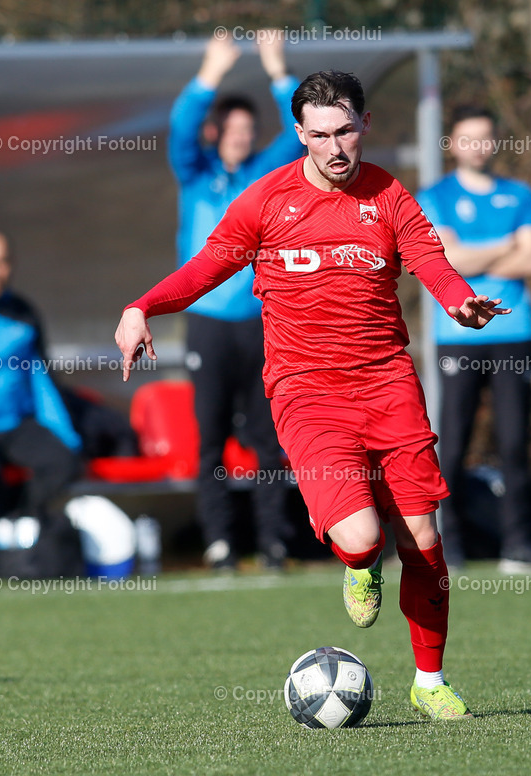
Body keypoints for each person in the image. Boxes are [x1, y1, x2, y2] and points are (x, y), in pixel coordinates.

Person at [116, 70, 508, 720]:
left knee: (423, 538)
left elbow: (431, 260)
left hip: (388, 384)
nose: (335, 146)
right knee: (361, 538)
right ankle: (357, 563)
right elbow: (206, 267)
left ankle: (429, 680)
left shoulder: (388, 194)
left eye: (345, 130)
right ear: (299, 133)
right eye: (320, 134)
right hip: (307, 393)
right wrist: (143, 305)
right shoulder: (266, 200)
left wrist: (461, 301)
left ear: (364, 126)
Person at [168, 32, 305, 570]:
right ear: (216, 132)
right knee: (213, 438)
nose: (243, 137)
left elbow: (299, 138)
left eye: (250, 129)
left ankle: (273, 539)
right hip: (206, 325)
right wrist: (209, 73)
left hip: (260, 325)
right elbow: (180, 131)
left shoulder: (264, 175)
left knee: (270, 439)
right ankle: (220, 540)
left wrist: (277, 70)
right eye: (234, 129)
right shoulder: (196, 174)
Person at [418, 105, 531, 573]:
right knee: (451, 441)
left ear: (495, 141)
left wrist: (476, 255)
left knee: (514, 442)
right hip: (456, 335)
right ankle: (446, 544)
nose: (477, 145)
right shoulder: (434, 196)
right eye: (467, 137)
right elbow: (447, 261)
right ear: (453, 143)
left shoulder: (519, 195)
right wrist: (505, 245)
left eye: (485, 137)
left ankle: (520, 545)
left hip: (513, 334)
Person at [0, 229, 82, 578]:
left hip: (15, 423)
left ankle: (17, 521)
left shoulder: (23, 312)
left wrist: (66, 434)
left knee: (62, 461)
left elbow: (42, 378)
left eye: (2, 262)